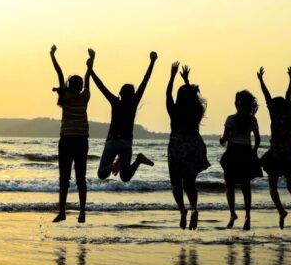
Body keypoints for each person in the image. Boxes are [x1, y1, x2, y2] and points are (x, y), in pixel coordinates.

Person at [90, 51, 158, 182]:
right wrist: (152, 61)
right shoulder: (133, 103)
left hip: (112, 141)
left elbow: (100, 85)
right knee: (125, 177)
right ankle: (138, 161)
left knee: (101, 174)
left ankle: (113, 165)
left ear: (120, 93)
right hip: (126, 143)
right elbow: (146, 80)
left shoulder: (115, 102)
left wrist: (90, 69)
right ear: (132, 94)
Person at [257, 66, 291, 228]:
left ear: (274, 108)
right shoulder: (290, 114)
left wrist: (261, 80)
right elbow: (288, 96)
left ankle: (281, 211)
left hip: (276, 154)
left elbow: (267, 97)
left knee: (272, 188)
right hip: (289, 153)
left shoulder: (275, 114)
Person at [49, 45, 93, 223]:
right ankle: (82, 212)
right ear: (81, 86)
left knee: (64, 178)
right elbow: (88, 77)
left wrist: (52, 55)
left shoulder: (65, 97)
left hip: (67, 140)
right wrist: (91, 62)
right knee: (81, 178)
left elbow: (59, 73)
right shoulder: (85, 97)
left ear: (68, 85)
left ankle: (62, 211)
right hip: (81, 140)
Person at [166, 62, 211, 230]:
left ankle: (182, 210)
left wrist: (172, 76)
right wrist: (186, 81)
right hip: (194, 145)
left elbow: (167, 94)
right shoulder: (196, 109)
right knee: (190, 183)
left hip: (177, 146)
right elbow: (191, 96)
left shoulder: (174, 110)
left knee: (176, 183)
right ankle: (194, 209)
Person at [220, 90, 262, 231]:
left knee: (229, 185)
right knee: (246, 187)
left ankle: (232, 214)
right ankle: (247, 216)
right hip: (246, 153)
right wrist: (254, 151)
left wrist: (221, 140)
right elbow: (258, 139)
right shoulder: (252, 120)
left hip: (233, 152)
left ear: (237, 103)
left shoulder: (231, 119)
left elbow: (224, 139)